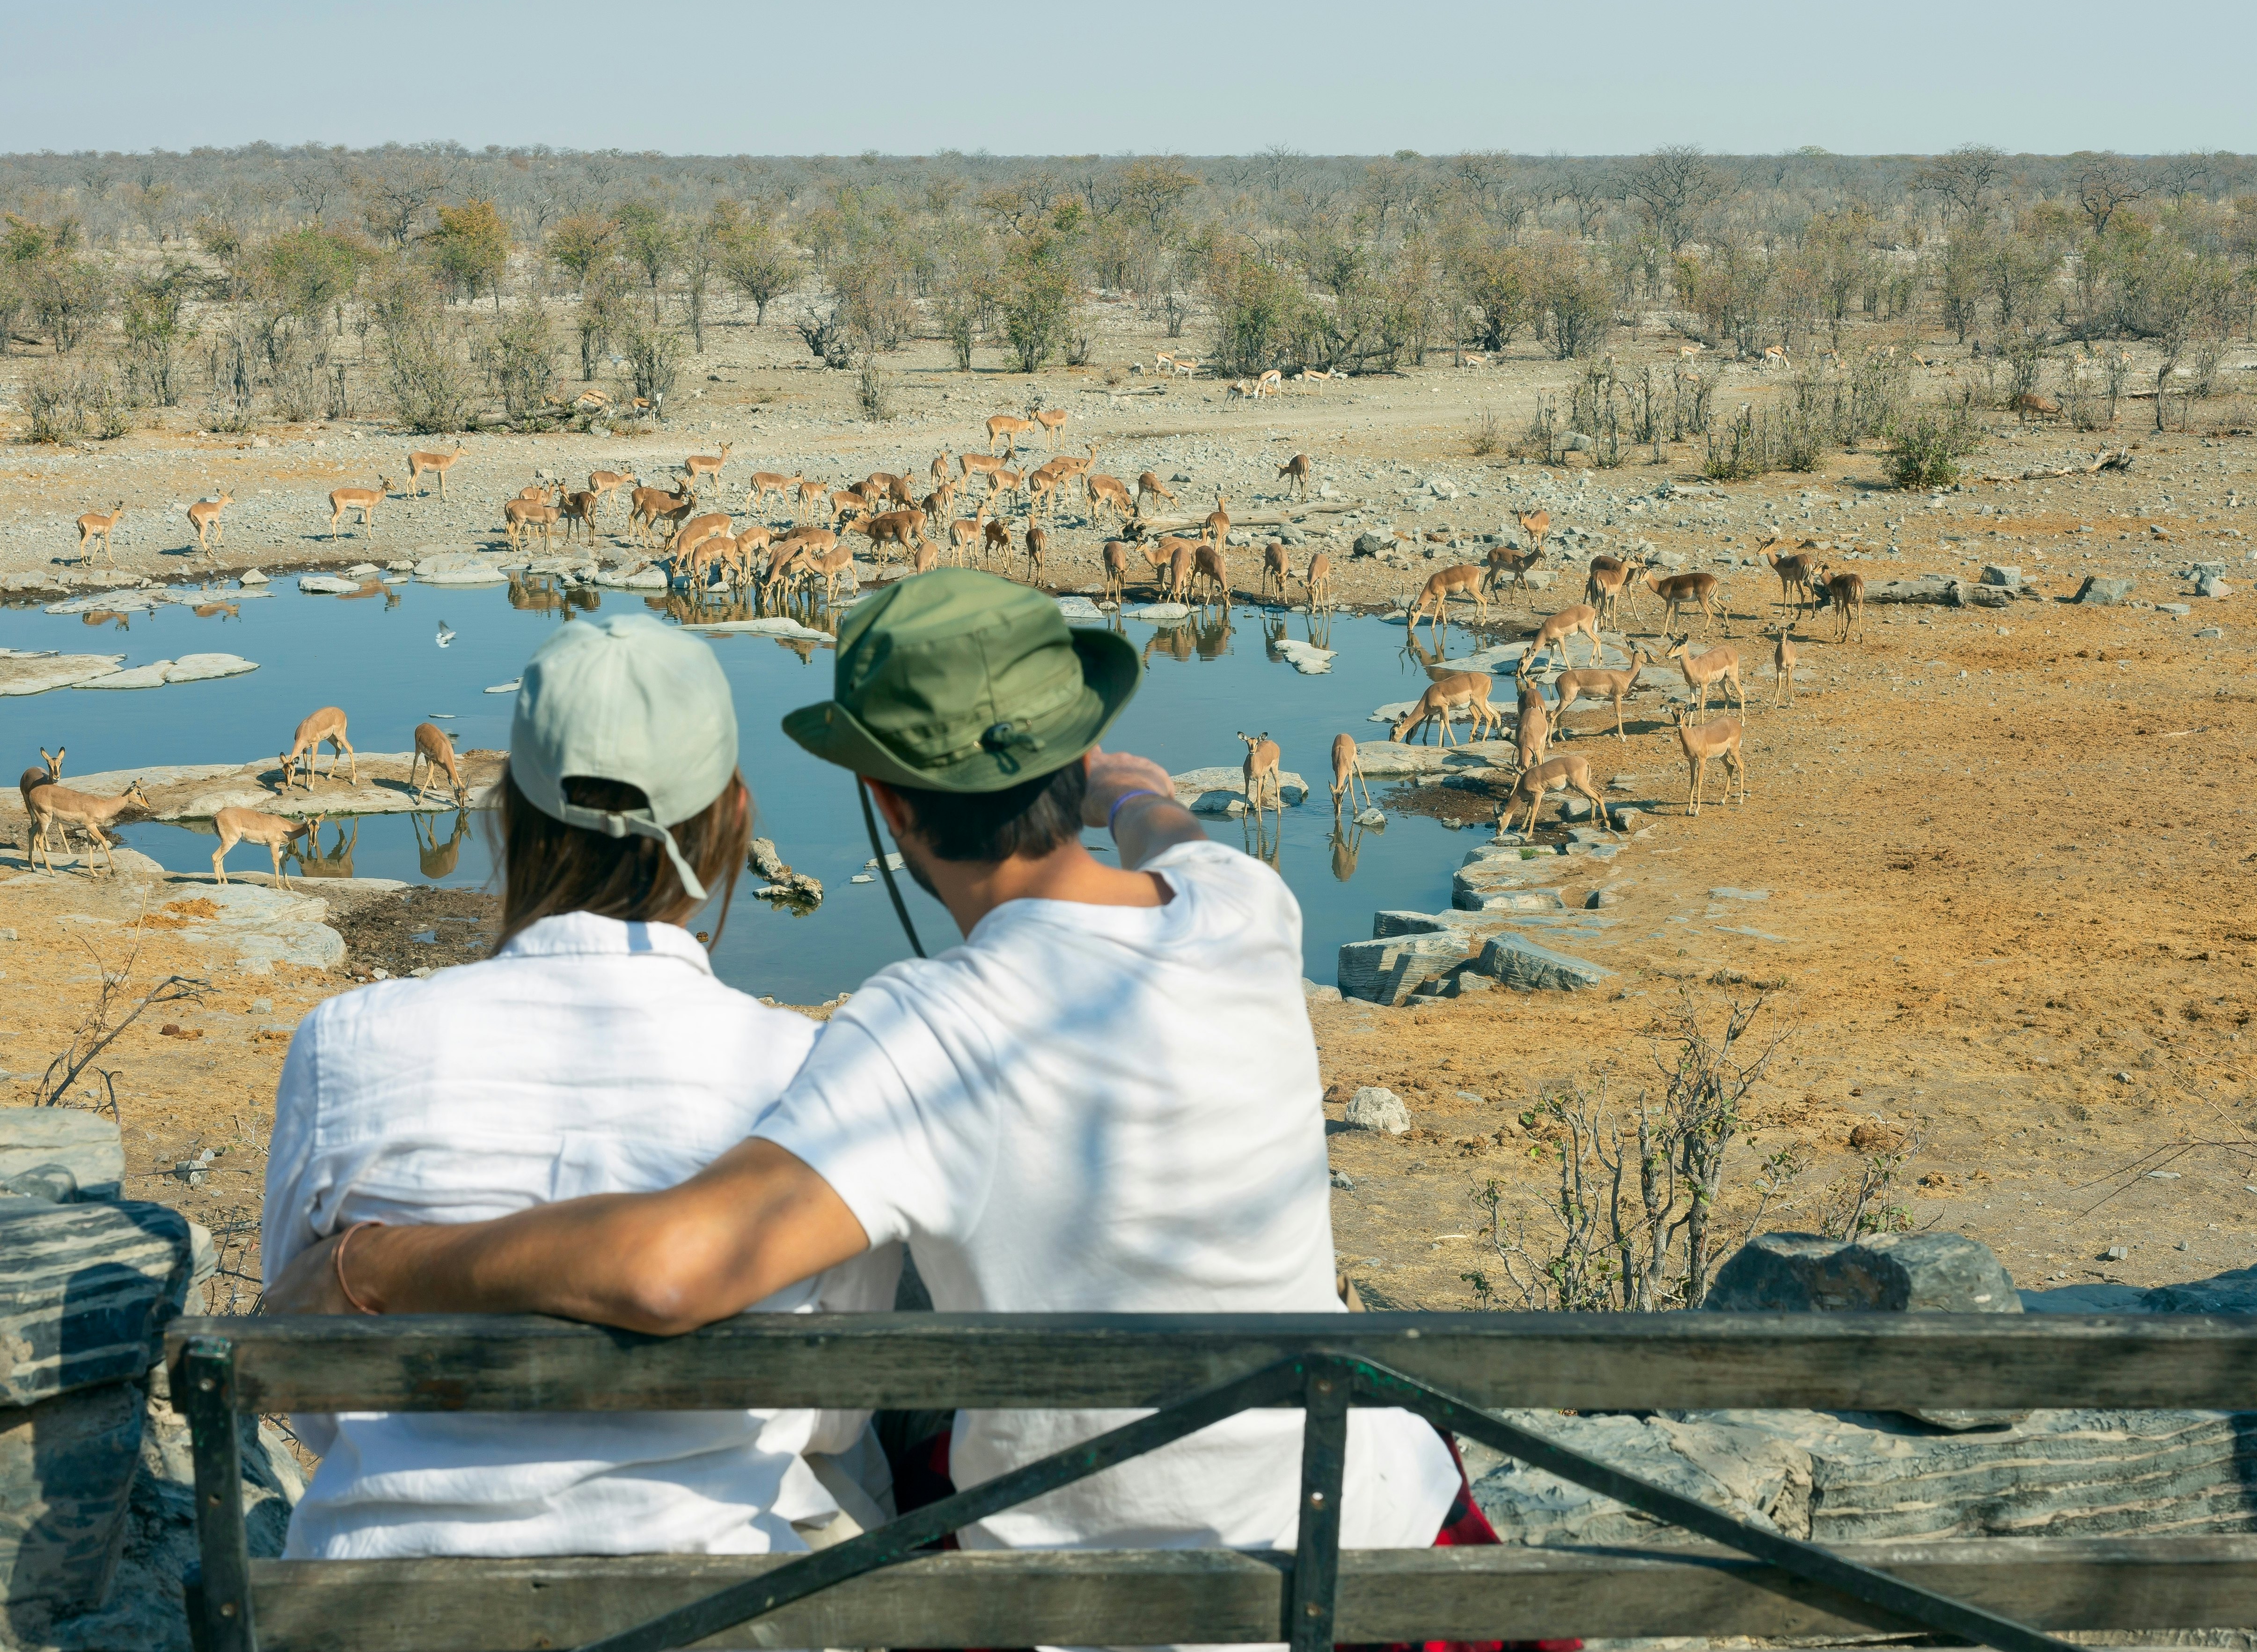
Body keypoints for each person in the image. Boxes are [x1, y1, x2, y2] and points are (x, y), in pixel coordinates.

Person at [273, 570, 1458, 1570]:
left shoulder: (921, 1033)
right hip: (1361, 1545)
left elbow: (671, 1271)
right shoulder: (1246, 906)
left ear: (890, 807)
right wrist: (1130, 789)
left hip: (1094, 1603)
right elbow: (1172, 836)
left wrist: (374, 1261)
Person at [260, 613, 898, 1558]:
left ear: (506, 811)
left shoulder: (346, 1043)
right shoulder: (804, 1071)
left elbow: (307, 1383)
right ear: (730, 816)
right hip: (728, 1596)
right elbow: (832, 1413)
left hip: (391, 1598)